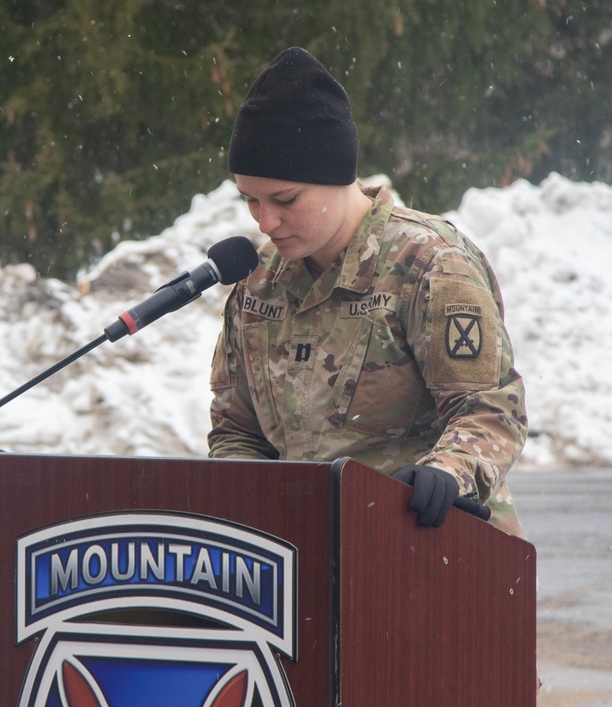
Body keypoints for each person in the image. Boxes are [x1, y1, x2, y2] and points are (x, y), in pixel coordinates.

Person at [208, 47, 528, 536]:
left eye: (285, 200)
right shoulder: (258, 283)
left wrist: (447, 473)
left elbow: (490, 411)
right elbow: (237, 433)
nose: (265, 221)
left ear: (337, 179)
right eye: (250, 200)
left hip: (433, 548)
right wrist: (246, 500)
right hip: (305, 554)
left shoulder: (430, 265)